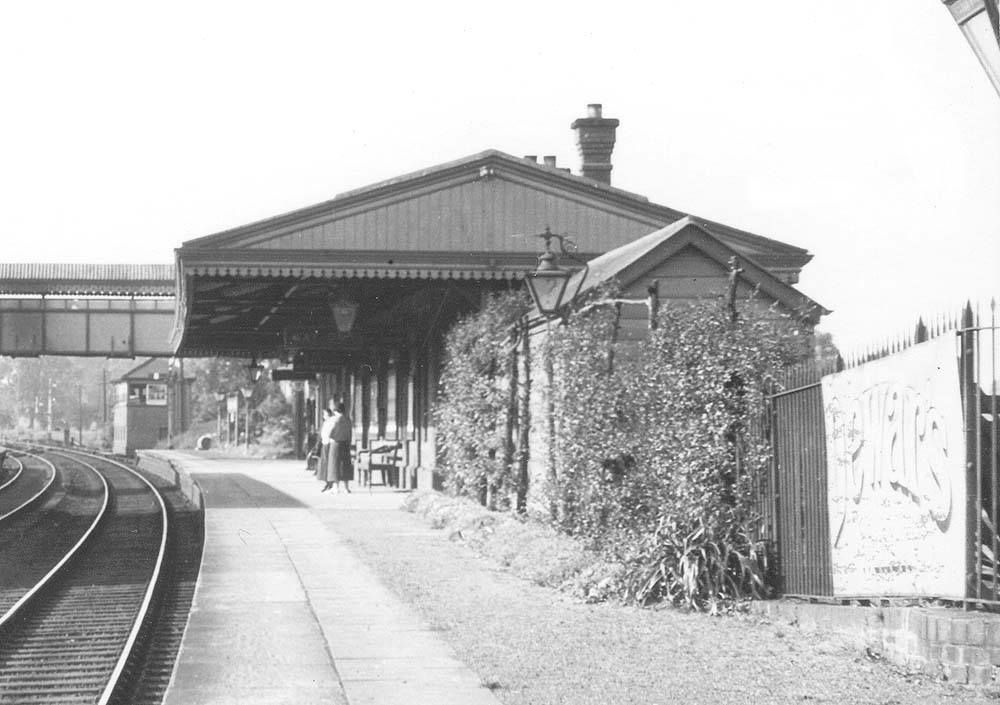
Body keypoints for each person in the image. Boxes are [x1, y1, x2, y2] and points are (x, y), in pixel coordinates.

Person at [322, 401, 354, 493]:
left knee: (334, 465)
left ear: (335, 410)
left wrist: (329, 439)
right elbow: (350, 433)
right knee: (345, 465)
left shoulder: (333, 420)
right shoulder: (348, 420)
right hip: (345, 444)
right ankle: (346, 488)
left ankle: (335, 487)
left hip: (335, 444)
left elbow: (328, 433)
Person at [317, 408, 335, 486]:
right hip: (324, 444)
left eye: (325, 415)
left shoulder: (331, 422)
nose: (324, 416)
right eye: (324, 415)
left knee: (328, 463)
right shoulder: (325, 423)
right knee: (324, 463)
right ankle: (327, 482)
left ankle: (330, 482)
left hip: (329, 444)